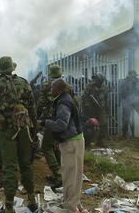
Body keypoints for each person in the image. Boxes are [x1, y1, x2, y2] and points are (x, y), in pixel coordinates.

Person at [0, 56, 37, 212]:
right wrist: (34, 129)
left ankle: (9, 204)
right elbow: (32, 108)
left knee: (10, 167)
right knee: (26, 164)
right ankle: (32, 198)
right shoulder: (23, 82)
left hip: (7, 131)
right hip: (24, 127)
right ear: (12, 68)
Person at [44, 78, 85, 213]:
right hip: (74, 140)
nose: (50, 90)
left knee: (70, 176)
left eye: (52, 88)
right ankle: (73, 203)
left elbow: (62, 124)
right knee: (73, 175)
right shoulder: (66, 98)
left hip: (71, 142)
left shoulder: (63, 102)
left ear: (58, 89)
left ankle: (70, 207)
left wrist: (46, 123)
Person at [81, 73, 109, 147]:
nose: (96, 81)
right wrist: (88, 106)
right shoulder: (89, 86)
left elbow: (106, 98)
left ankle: (100, 141)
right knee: (89, 125)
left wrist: (106, 108)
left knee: (103, 124)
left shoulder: (105, 87)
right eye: (95, 79)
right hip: (90, 109)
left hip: (101, 108)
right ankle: (88, 142)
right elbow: (84, 98)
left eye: (98, 80)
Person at [120, 70, 139, 138]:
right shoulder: (124, 81)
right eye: (133, 76)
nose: (135, 77)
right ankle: (124, 134)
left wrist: (135, 83)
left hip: (135, 101)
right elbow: (122, 92)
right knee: (126, 118)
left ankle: (135, 134)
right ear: (129, 75)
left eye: (135, 76)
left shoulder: (137, 81)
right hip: (127, 102)